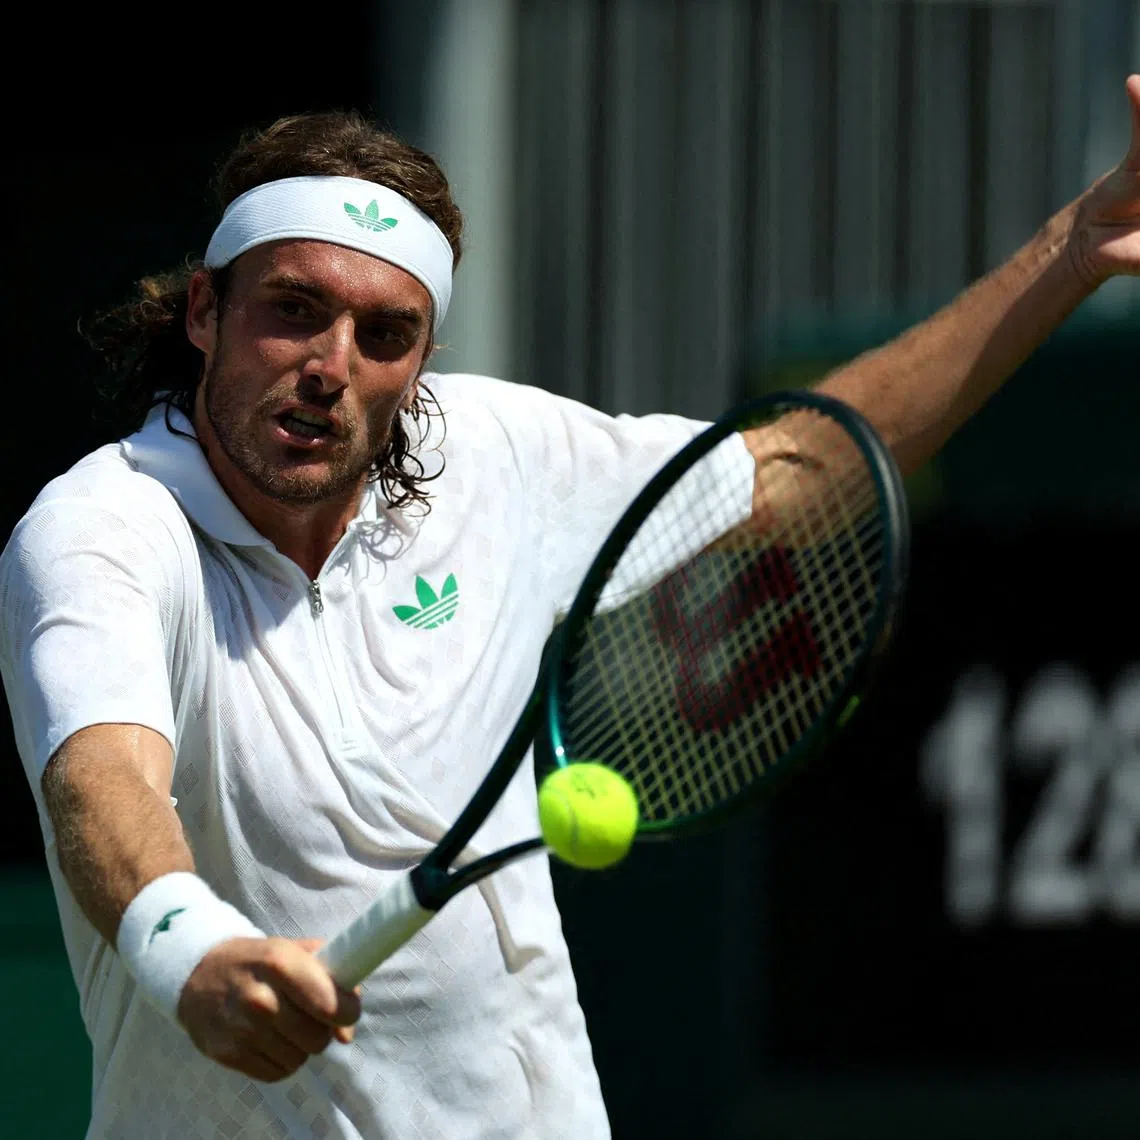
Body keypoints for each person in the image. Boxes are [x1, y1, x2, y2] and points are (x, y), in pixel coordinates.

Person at [1, 72, 1137, 1139]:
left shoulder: (494, 455)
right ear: (204, 310)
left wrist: (1076, 248)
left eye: (383, 335)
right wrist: (189, 948)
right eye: (293, 310)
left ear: (421, 359)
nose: (331, 365)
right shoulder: (105, 529)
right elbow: (101, 781)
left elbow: (800, 471)